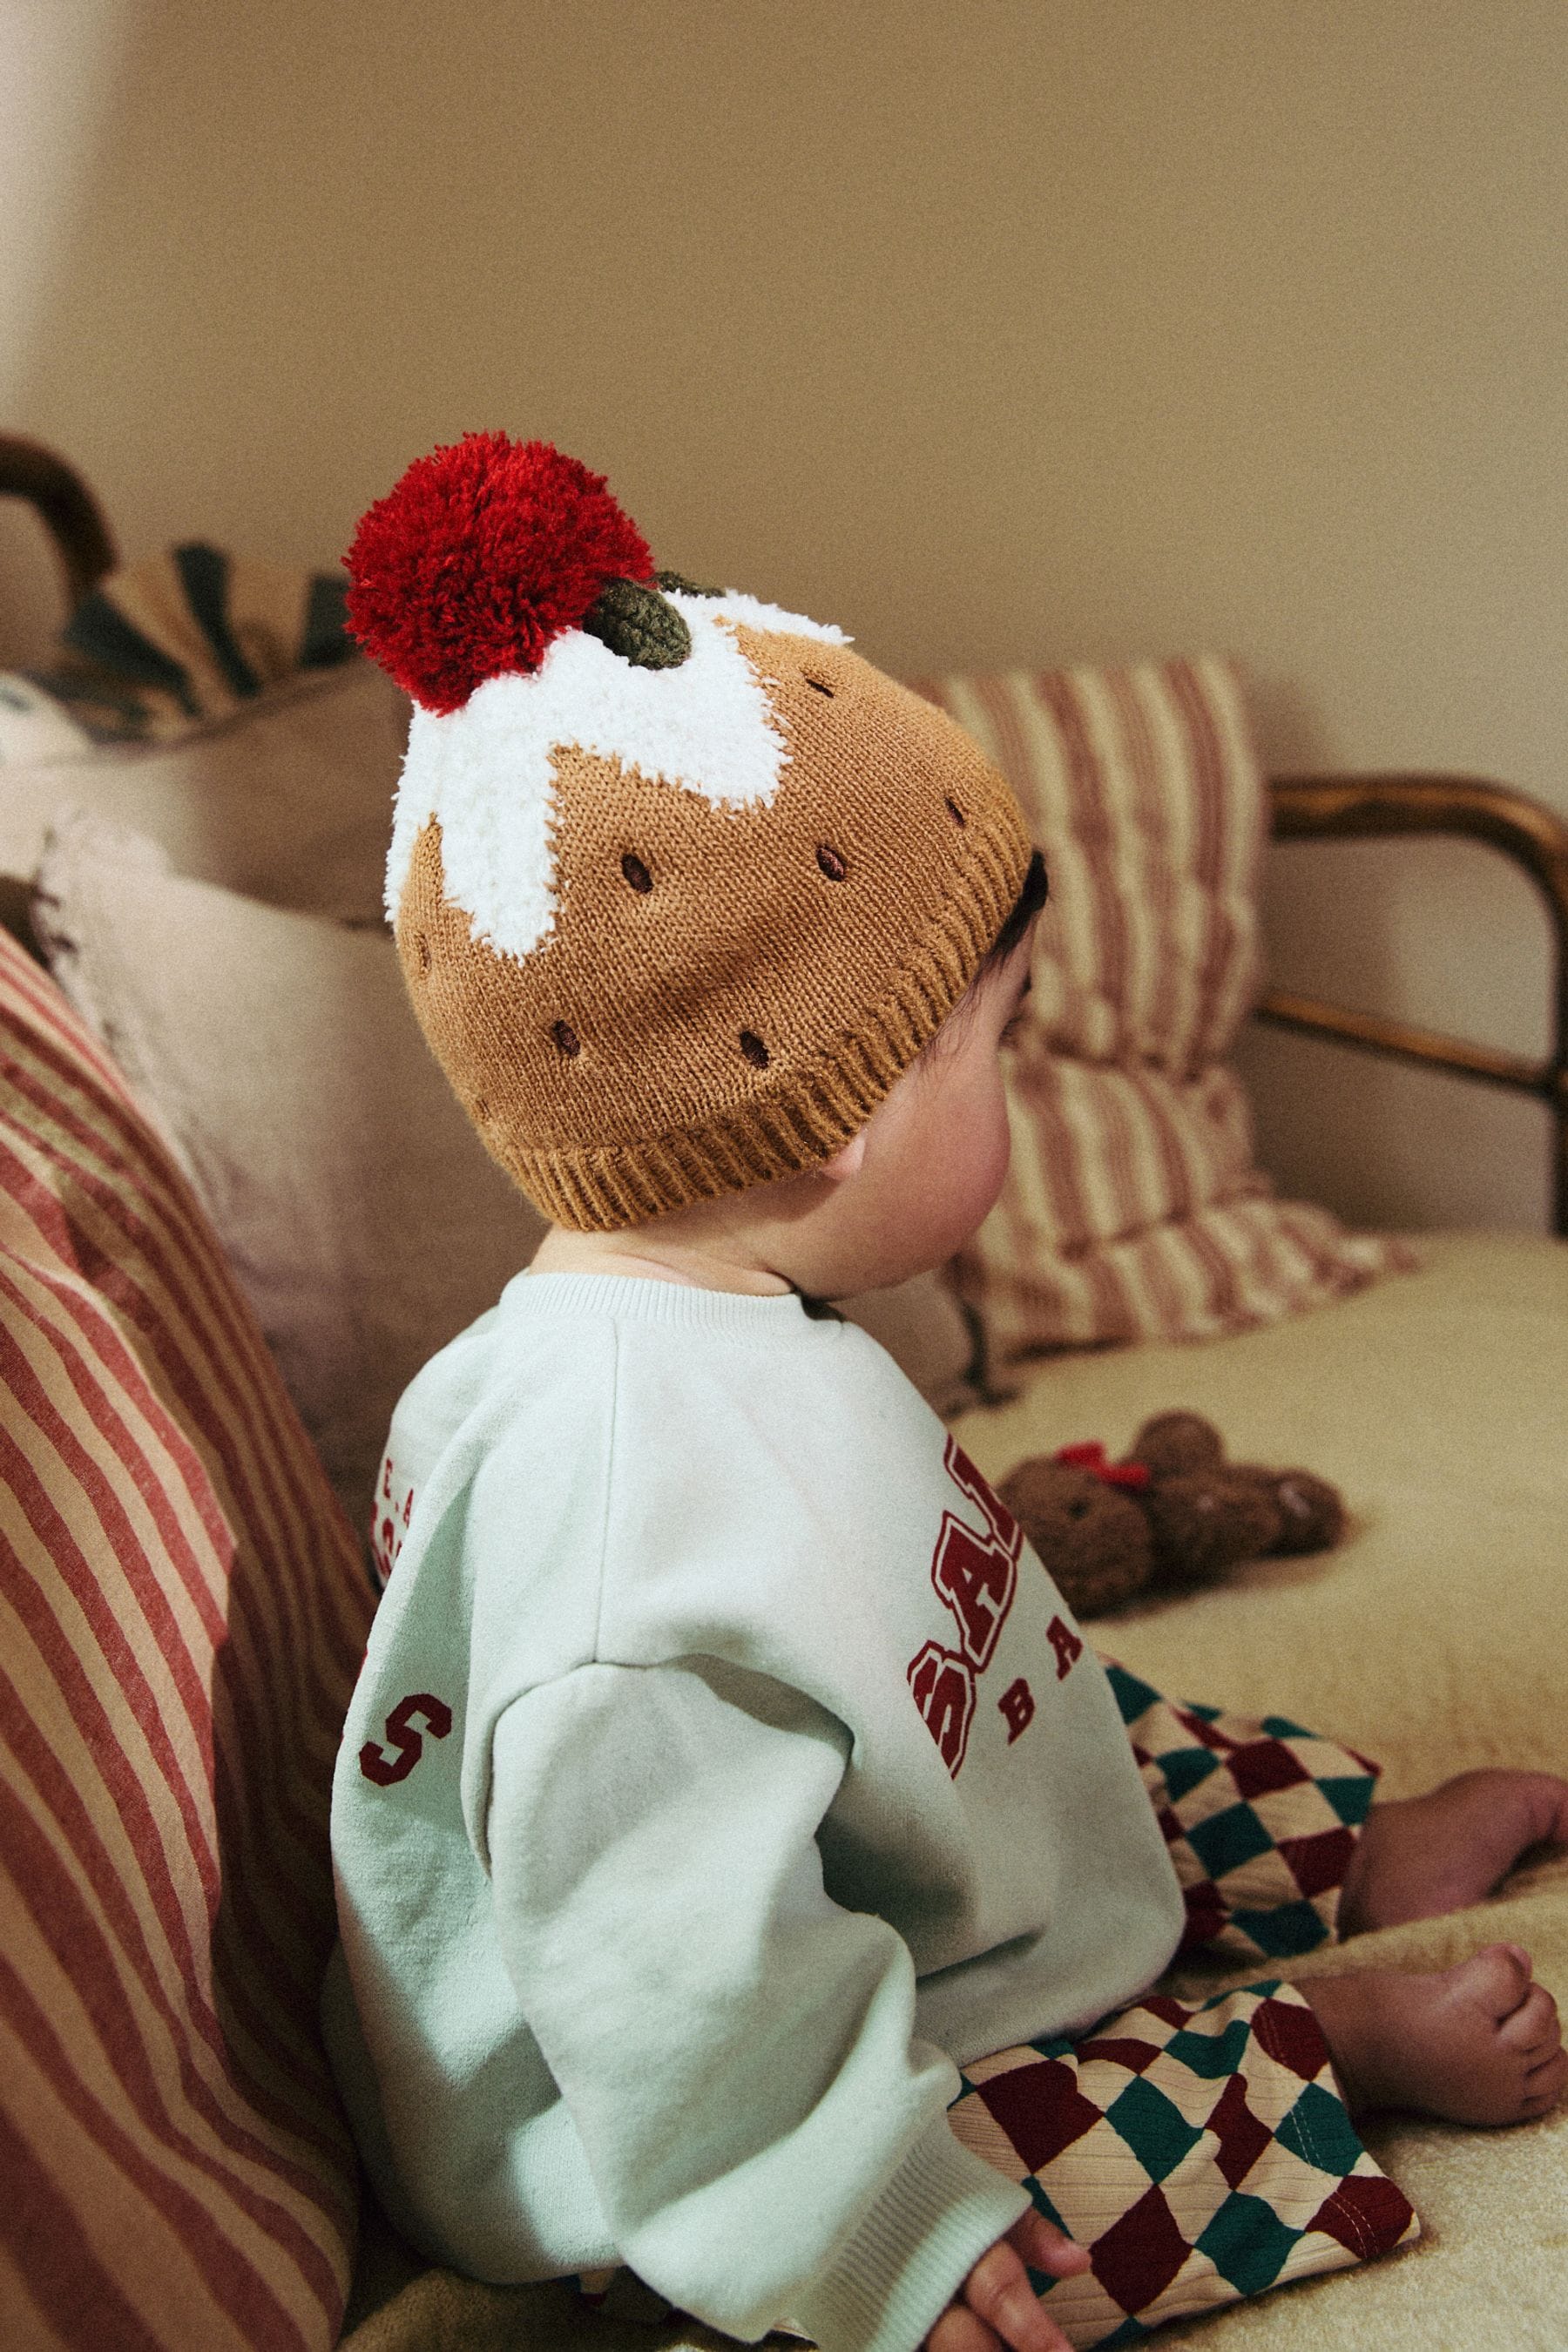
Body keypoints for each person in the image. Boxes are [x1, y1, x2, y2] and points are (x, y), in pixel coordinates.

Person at [323, 435, 1568, 2352]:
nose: (1029, 1078)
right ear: (812, 1111)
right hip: (689, 2120)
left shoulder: (742, 1317)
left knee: (1067, 1700)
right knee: (1024, 2198)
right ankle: (1306, 2047)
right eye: (1005, 1040)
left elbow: (955, 1689)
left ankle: (1334, 1853)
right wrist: (859, 2236)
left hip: (871, 1869)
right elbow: (676, 1990)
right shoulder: (621, 1549)